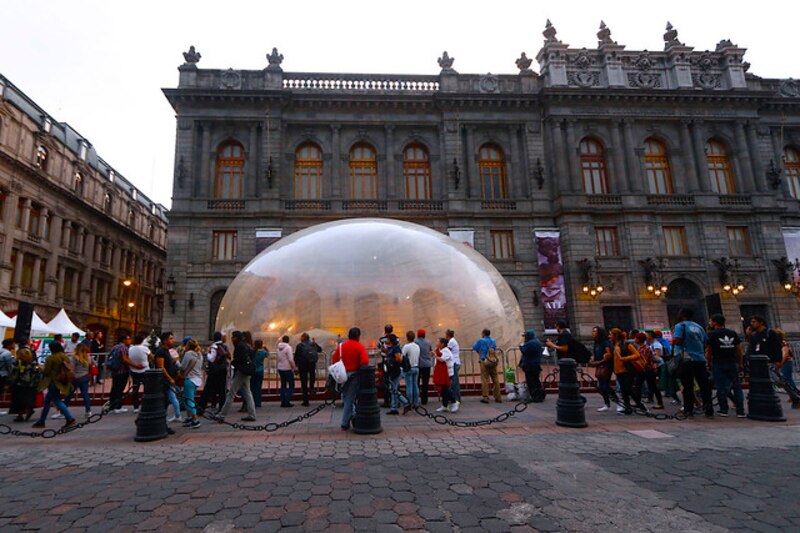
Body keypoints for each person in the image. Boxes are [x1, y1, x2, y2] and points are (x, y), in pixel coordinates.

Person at [749, 316, 800, 408]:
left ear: (761, 322)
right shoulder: (754, 335)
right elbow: (752, 348)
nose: (752, 324)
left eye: (754, 322)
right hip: (759, 362)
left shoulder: (770, 333)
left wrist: (778, 360)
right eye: (752, 322)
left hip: (771, 361)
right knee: (765, 382)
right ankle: (767, 400)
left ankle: (794, 396)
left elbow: (777, 347)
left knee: (777, 380)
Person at [673, 308, 713, 418]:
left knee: (687, 386)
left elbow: (678, 340)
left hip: (686, 359)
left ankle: (688, 410)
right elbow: (705, 341)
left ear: (682, 315)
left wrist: (675, 341)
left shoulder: (680, 326)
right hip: (700, 359)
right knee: (704, 385)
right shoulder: (699, 327)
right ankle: (709, 409)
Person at [706, 314, 745, 417]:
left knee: (720, 387)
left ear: (714, 322)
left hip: (718, 362)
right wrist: (740, 363)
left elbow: (709, 351)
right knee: (737, 387)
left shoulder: (712, 334)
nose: (710, 323)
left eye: (711, 321)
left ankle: (724, 410)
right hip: (733, 362)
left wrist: (708, 363)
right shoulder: (732, 333)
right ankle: (740, 411)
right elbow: (739, 350)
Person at [331, 327, 369, 430]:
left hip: (342, 376)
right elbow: (365, 361)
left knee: (346, 396)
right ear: (358, 337)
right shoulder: (359, 347)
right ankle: (344, 422)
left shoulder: (341, 346)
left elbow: (334, 360)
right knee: (349, 399)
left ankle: (352, 415)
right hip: (354, 375)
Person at [32, 342, 76, 429]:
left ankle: (69, 418)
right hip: (61, 381)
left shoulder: (51, 358)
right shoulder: (64, 356)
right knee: (47, 401)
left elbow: (46, 371)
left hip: (52, 381)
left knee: (56, 400)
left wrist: (40, 368)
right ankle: (42, 420)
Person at [217, 331, 257, 422]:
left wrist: (234, 362)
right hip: (247, 371)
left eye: (233, 337)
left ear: (236, 337)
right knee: (248, 393)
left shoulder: (240, 346)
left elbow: (240, 359)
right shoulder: (247, 345)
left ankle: (222, 415)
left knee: (231, 393)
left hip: (241, 372)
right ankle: (252, 414)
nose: (231, 338)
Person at [610, 328, 646, 415]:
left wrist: (625, 358)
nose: (609, 336)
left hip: (627, 370)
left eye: (611, 334)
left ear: (616, 335)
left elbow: (637, 355)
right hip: (619, 371)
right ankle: (628, 407)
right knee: (624, 390)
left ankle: (640, 405)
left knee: (628, 389)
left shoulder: (626, 344)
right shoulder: (614, 344)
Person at [107, 334, 141, 413]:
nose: (130, 340)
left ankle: (112, 406)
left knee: (114, 388)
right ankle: (118, 407)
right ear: (124, 340)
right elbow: (125, 359)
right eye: (128, 339)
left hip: (115, 371)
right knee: (120, 389)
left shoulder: (115, 347)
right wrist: (136, 365)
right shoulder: (123, 347)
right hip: (121, 371)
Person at [154, 332, 182, 424]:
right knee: (167, 399)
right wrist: (169, 378)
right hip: (164, 381)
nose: (173, 341)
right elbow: (161, 367)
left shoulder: (166, 351)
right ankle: (163, 421)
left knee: (169, 399)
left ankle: (165, 420)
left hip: (168, 381)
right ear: (165, 341)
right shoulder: (161, 352)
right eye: (171, 339)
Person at [198, 332, 229, 415]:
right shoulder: (224, 346)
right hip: (223, 370)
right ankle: (222, 408)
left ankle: (201, 408)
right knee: (222, 390)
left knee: (208, 389)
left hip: (214, 371)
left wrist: (207, 353)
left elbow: (211, 359)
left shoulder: (214, 346)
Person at [589, 326, 618, 411]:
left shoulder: (605, 343)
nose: (593, 333)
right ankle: (607, 403)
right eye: (593, 331)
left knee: (605, 385)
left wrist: (600, 361)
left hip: (606, 366)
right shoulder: (596, 343)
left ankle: (617, 401)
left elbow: (608, 354)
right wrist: (593, 358)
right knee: (602, 386)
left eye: (595, 331)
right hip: (600, 366)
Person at [634, 332, 663, 410]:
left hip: (648, 370)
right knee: (638, 385)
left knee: (653, 386)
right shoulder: (640, 347)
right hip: (643, 370)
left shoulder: (645, 348)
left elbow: (645, 361)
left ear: (639, 340)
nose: (634, 339)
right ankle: (638, 402)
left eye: (636, 338)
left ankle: (660, 403)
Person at [9, 347, 39, 421]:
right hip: (31, 385)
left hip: (20, 384)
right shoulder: (33, 362)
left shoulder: (17, 362)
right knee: (28, 399)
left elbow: (14, 374)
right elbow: (37, 373)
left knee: (18, 400)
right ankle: (28, 411)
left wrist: (10, 381)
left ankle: (20, 415)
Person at [179, 338, 203, 429]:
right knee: (188, 399)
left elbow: (183, 367)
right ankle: (189, 418)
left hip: (190, 379)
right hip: (197, 379)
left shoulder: (188, 354)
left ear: (188, 346)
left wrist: (176, 362)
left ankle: (195, 420)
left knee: (189, 401)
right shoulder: (199, 354)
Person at [385, 334, 411, 415]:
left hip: (396, 371)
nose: (386, 340)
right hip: (393, 371)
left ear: (391, 340)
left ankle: (405, 403)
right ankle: (394, 408)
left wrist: (391, 361)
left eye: (387, 339)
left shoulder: (395, 348)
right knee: (393, 389)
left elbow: (399, 359)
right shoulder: (392, 348)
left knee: (393, 389)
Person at [473, 328, 500, 404]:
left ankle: (486, 397)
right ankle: (498, 397)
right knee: (495, 378)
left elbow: (474, 347)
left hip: (484, 361)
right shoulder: (493, 340)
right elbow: (494, 348)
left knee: (485, 379)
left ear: (483, 333)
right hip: (493, 361)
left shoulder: (481, 340)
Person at [774, 328, 800, 409]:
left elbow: (785, 353)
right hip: (785, 362)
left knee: (787, 379)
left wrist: (781, 362)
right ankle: (793, 395)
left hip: (786, 363)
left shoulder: (782, 343)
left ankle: (795, 394)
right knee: (786, 379)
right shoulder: (779, 343)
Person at [66, 343, 93, 418]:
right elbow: (93, 364)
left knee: (69, 394)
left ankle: (63, 410)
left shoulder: (74, 357)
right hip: (85, 376)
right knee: (85, 394)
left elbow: (72, 368)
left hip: (76, 377)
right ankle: (88, 411)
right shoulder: (88, 357)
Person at [127, 333, 150, 413]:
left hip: (134, 370)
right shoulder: (144, 348)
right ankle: (146, 405)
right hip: (145, 370)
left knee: (135, 389)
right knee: (147, 388)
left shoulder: (130, 349)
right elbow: (151, 356)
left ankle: (135, 407)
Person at [294, 333, 319, 406]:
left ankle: (306, 401)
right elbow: (320, 350)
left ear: (302, 338)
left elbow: (296, 356)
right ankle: (312, 387)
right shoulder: (313, 344)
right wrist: (315, 343)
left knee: (304, 382)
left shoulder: (300, 345)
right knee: (312, 376)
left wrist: (296, 365)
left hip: (303, 365)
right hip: (312, 364)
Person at [519, 329, 544, 402]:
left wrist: (521, 346)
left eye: (525, 336)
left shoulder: (530, 343)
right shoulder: (537, 341)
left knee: (531, 381)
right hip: (536, 364)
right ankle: (540, 395)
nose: (525, 338)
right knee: (536, 380)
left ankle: (534, 396)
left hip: (530, 365)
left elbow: (525, 351)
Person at [433, 338, 455, 413]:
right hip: (442, 373)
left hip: (447, 373)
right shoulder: (440, 351)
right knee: (443, 390)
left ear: (442, 344)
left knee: (447, 389)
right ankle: (445, 405)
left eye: (438, 341)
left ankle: (454, 401)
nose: (436, 342)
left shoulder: (446, 351)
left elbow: (442, 359)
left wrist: (435, 356)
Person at [276, 335, 296, 408]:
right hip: (287, 368)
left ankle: (282, 401)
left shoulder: (278, 348)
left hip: (280, 368)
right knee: (291, 385)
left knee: (283, 385)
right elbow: (290, 359)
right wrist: (294, 368)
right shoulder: (288, 348)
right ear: (288, 340)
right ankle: (287, 401)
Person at [402, 331, 420, 408]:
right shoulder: (417, 346)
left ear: (407, 337)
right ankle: (416, 402)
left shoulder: (406, 346)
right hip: (416, 367)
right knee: (415, 385)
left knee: (409, 386)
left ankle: (409, 402)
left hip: (409, 367)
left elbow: (402, 356)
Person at [415, 329, 433, 406]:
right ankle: (424, 399)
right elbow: (430, 351)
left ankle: (416, 398)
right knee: (425, 383)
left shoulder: (415, 342)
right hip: (427, 364)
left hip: (418, 364)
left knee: (417, 382)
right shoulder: (428, 342)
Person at [445, 329, 461, 409]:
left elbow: (447, 351)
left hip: (454, 363)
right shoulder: (453, 341)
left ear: (448, 335)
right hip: (456, 362)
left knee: (454, 382)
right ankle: (455, 397)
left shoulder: (451, 342)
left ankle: (456, 398)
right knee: (454, 382)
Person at [251, 340, 268, 408]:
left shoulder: (253, 352)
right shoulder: (263, 352)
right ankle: (258, 403)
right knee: (258, 387)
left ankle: (253, 402)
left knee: (252, 387)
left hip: (253, 371)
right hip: (260, 371)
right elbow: (268, 354)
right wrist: (266, 348)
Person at [0, 339, 14, 410]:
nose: (14, 345)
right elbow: (9, 367)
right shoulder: (8, 354)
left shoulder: (1, 351)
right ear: (9, 345)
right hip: (3, 375)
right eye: (12, 344)